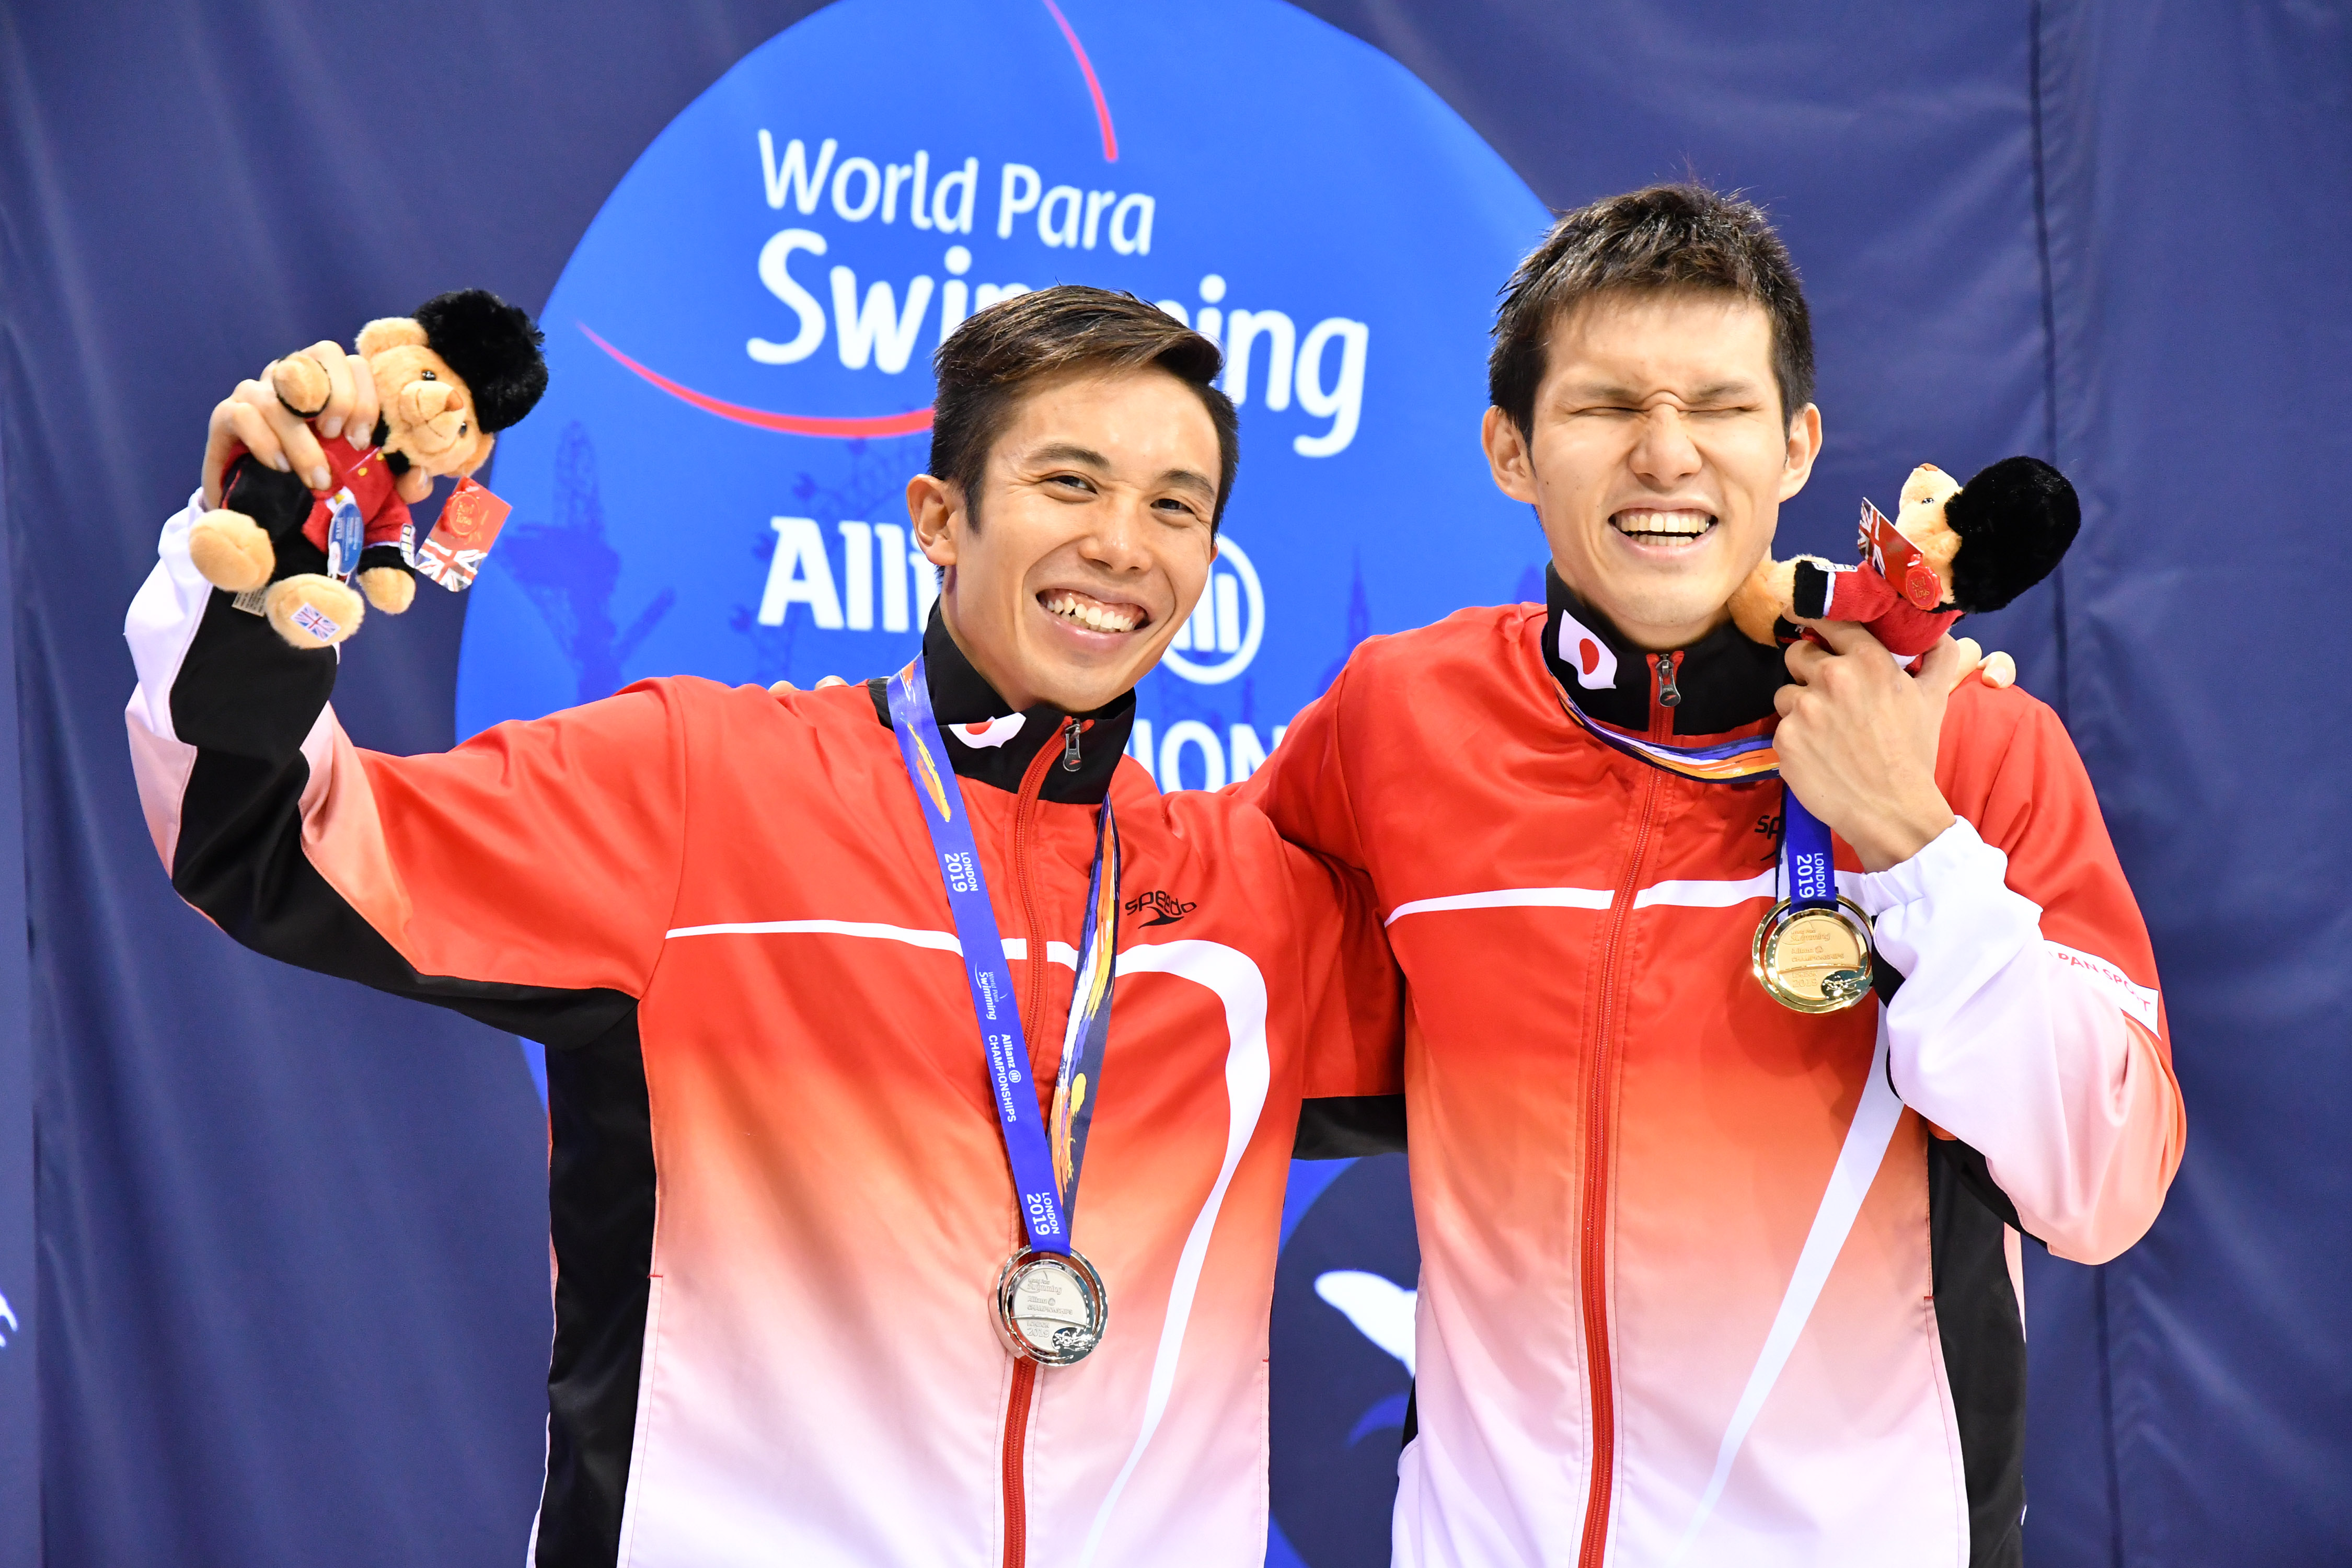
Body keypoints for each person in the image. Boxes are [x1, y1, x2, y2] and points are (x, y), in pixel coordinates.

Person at [127, 286, 1400, 1568]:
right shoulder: (701, 790)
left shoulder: (1256, 908)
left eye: (1176, 505)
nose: (1125, 543)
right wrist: (259, 564)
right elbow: (271, 843)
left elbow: (1564, 1033)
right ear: (939, 518)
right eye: (1070, 483)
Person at [1236, 185, 2184, 1568]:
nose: (1665, 455)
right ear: (1511, 449)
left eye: (1720, 407)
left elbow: (2103, 1185)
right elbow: (1197, 975)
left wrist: (1915, 847)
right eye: (1606, 406)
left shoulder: (1973, 744)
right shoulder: (1399, 718)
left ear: (1796, 445)